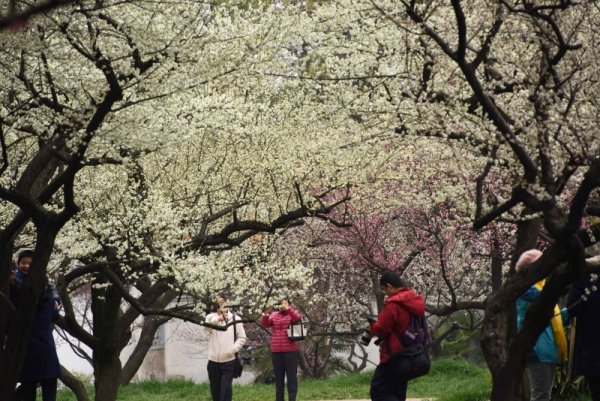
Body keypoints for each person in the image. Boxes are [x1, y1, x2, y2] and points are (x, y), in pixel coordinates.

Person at [515, 249, 568, 401]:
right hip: (538, 350)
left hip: (549, 350)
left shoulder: (540, 286)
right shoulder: (526, 290)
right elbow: (543, 299)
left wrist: (571, 311)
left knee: (544, 395)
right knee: (540, 396)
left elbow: (553, 317)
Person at [9, 250, 62, 401]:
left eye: (29, 263)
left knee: (31, 389)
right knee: (45, 388)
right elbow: (55, 316)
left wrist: (56, 300)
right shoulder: (16, 284)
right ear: (18, 264)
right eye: (23, 263)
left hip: (29, 348)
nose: (26, 266)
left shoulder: (15, 286)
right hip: (40, 347)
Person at [369, 270, 425, 401]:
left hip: (393, 355)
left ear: (389, 286)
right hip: (409, 353)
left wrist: (372, 326)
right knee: (398, 391)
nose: (385, 294)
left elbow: (382, 329)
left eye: (384, 290)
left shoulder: (393, 304)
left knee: (379, 390)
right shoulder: (413, 300)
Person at [567, 262, 600, 401]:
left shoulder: (585, 279)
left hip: (591, 349)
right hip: (592, 349)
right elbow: (572, 308)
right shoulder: (585, 280)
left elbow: (572, 308)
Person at [204, 296, 247, 401]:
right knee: (215, 391)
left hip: (228, 361)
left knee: (226, 389)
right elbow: (207, 328)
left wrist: (232, 349)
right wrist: (218, 319)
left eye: (223, 302)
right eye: (218, 302)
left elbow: (242, 337)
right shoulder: (210, 317)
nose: (221, 305)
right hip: (213, 361)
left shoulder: (235, 319)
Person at [261, 298, 302, 401]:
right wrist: (266, 313)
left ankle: (292, 399)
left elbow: (297, 318)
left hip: (291, 350)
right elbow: (265, 324)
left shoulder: (291, 313)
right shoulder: (274, 314)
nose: (283, 305)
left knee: (292, 378)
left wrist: (288, 309)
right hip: (276, 351)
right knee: (279, 379)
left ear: (289, 304)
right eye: (281, 303)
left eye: (285, 303)